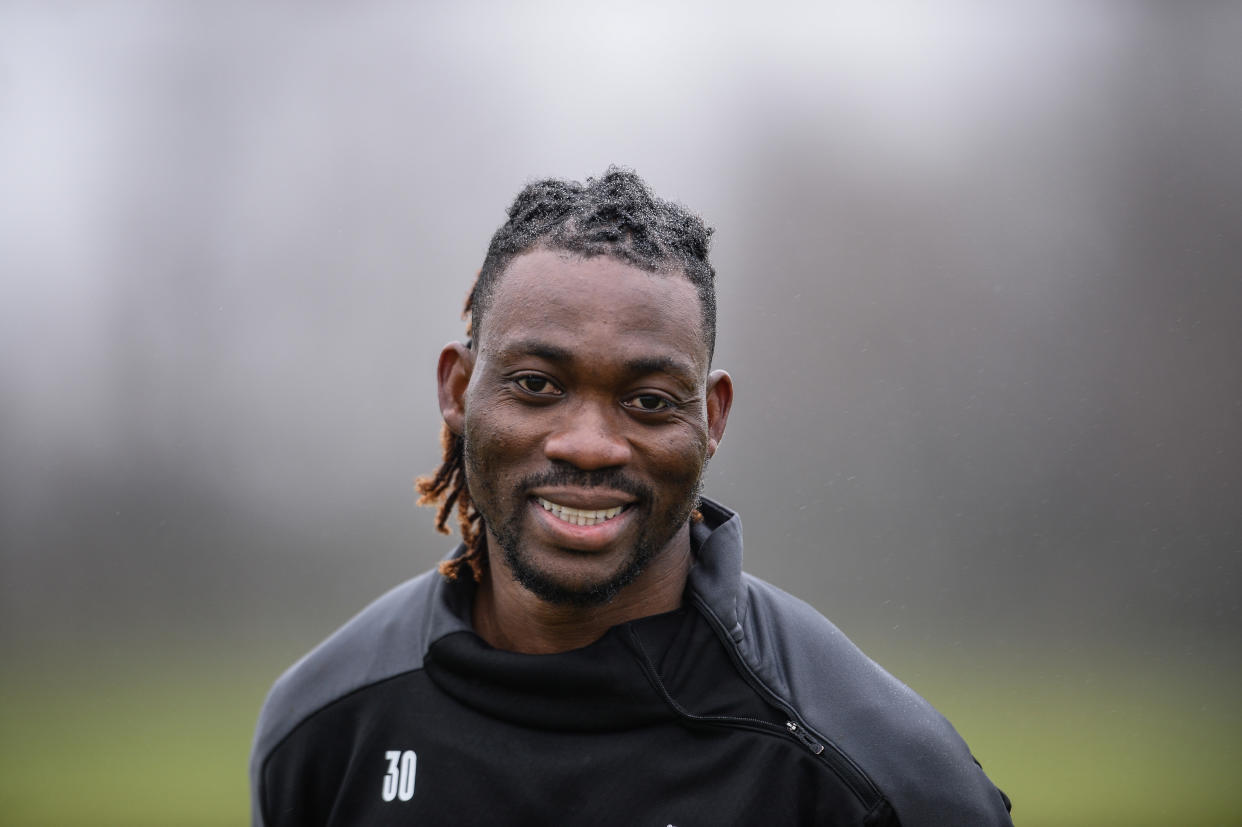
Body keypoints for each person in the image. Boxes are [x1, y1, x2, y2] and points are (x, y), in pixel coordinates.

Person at [249, 168, 1014, 826]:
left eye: (648, 400)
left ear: (711, 418)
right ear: (458, 389)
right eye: (537, 385)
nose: (588, 443)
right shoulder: (323, 729)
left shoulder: (880, 776)